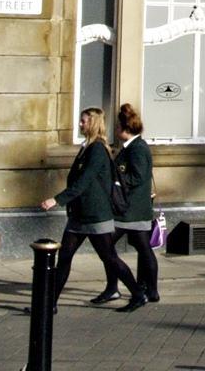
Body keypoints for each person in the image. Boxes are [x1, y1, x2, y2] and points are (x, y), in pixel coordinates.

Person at [40, 107, 143, 312]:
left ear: (93, 123)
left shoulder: (97, 149)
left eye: (84, 121)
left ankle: (138, 294)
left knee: (109, 257)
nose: (80, 124)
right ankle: (49, 305)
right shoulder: (86, 147)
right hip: (79, 214)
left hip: (95, 215)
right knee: (64, 259)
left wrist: (57, 200)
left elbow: (84, 181)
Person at [109, 103, 159, 304]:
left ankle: (142, 289)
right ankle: (143, 289)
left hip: (131, 209)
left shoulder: (137, 149)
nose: (115, 130)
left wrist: (116, 182)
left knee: (108, 247)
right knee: (142, 248)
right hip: (130, 209)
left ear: (124, 128)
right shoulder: (130, 147)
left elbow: (136, 177)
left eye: (117, 126)